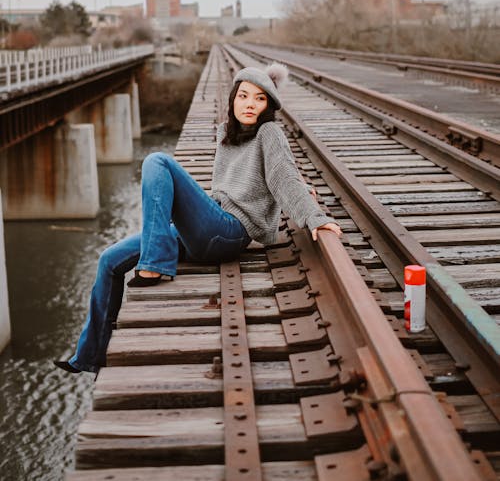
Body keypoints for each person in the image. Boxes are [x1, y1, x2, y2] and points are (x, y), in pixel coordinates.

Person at [54, 63, 342, 374]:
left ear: (268, 106)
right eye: (243, 96)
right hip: (212, 228)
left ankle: (155, 263)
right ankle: (89, 355)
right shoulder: (226, 135)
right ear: (232, 99)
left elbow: (283, 177)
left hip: (233, 231)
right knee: (109, 260)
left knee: (157, 161)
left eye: (259, 99)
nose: (250, 104)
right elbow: (249, 181)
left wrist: (314, 217)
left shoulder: (269, 133)